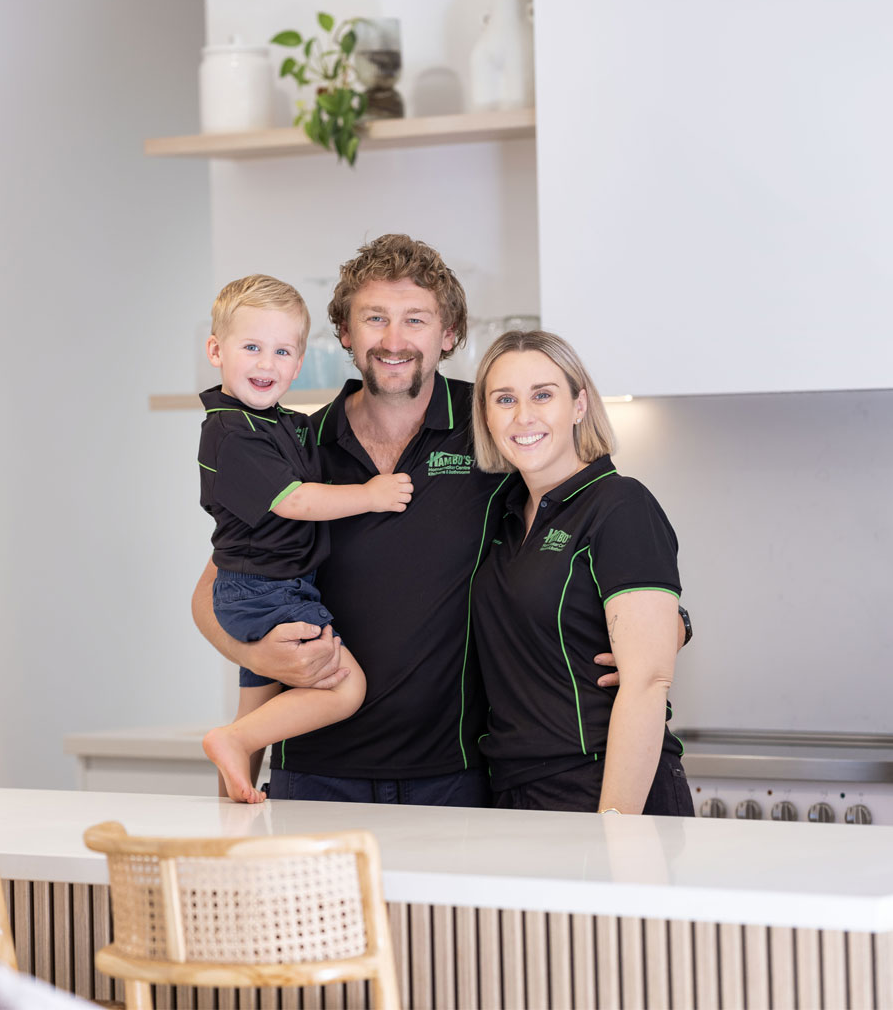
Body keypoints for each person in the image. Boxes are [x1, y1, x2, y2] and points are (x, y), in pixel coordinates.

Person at [192, 235, 689, 807]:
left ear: (448, 334)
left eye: (416, 319)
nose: (394, 340)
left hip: (457, 776)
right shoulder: (300, 443)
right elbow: (217, 589)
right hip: (314, 772)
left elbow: (591, 525)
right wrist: (257, 656)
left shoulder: (492, 430)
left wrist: (667, 625)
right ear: (345, 334)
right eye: (374, 318)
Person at [196, 274, 414, 803]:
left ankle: (232, 799)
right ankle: (233, 741)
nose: (267, 364)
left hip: (270, 584)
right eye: (251, 347)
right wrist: (371, 495)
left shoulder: (279, 424)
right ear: (216, 351)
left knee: (258, 699)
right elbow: (294, 501)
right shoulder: (233, 433)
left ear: (299, 364)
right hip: (267, 588)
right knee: (345, 687)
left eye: (282, 351)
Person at [469, 330, 693, 815]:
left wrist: (616, 826)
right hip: (512, 787)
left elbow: (648, 681)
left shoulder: (620, 504)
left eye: (542, 395)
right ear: (486, 416)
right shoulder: (503, 516)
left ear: (579, 404)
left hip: (603, 781)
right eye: (504, 399)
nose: (523, 416)